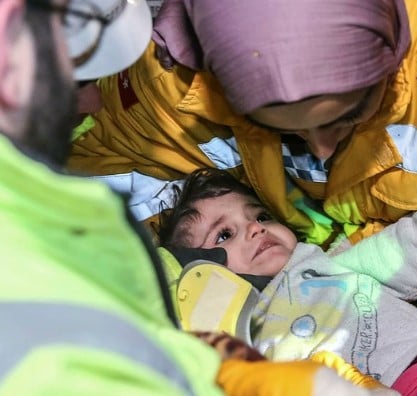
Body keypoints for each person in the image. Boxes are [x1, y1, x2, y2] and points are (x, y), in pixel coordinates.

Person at [66, 0, 417, 383]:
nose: (321, 148)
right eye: (223, 237)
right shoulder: (174, 91)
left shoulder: (325, 270)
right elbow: (86, 199)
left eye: (349, 112)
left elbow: (411, 252)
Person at [0, 1, 385, 395]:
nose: (92, 103)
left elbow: (403, 255)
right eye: (78, 82)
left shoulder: (328, 262)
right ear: (11, 75)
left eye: (260, 216)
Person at [158, 112, 417, 395]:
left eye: (259, 215)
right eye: (224, 234)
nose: (255, 228)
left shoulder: (325, 265)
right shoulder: (230, 338)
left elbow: (416, 245)